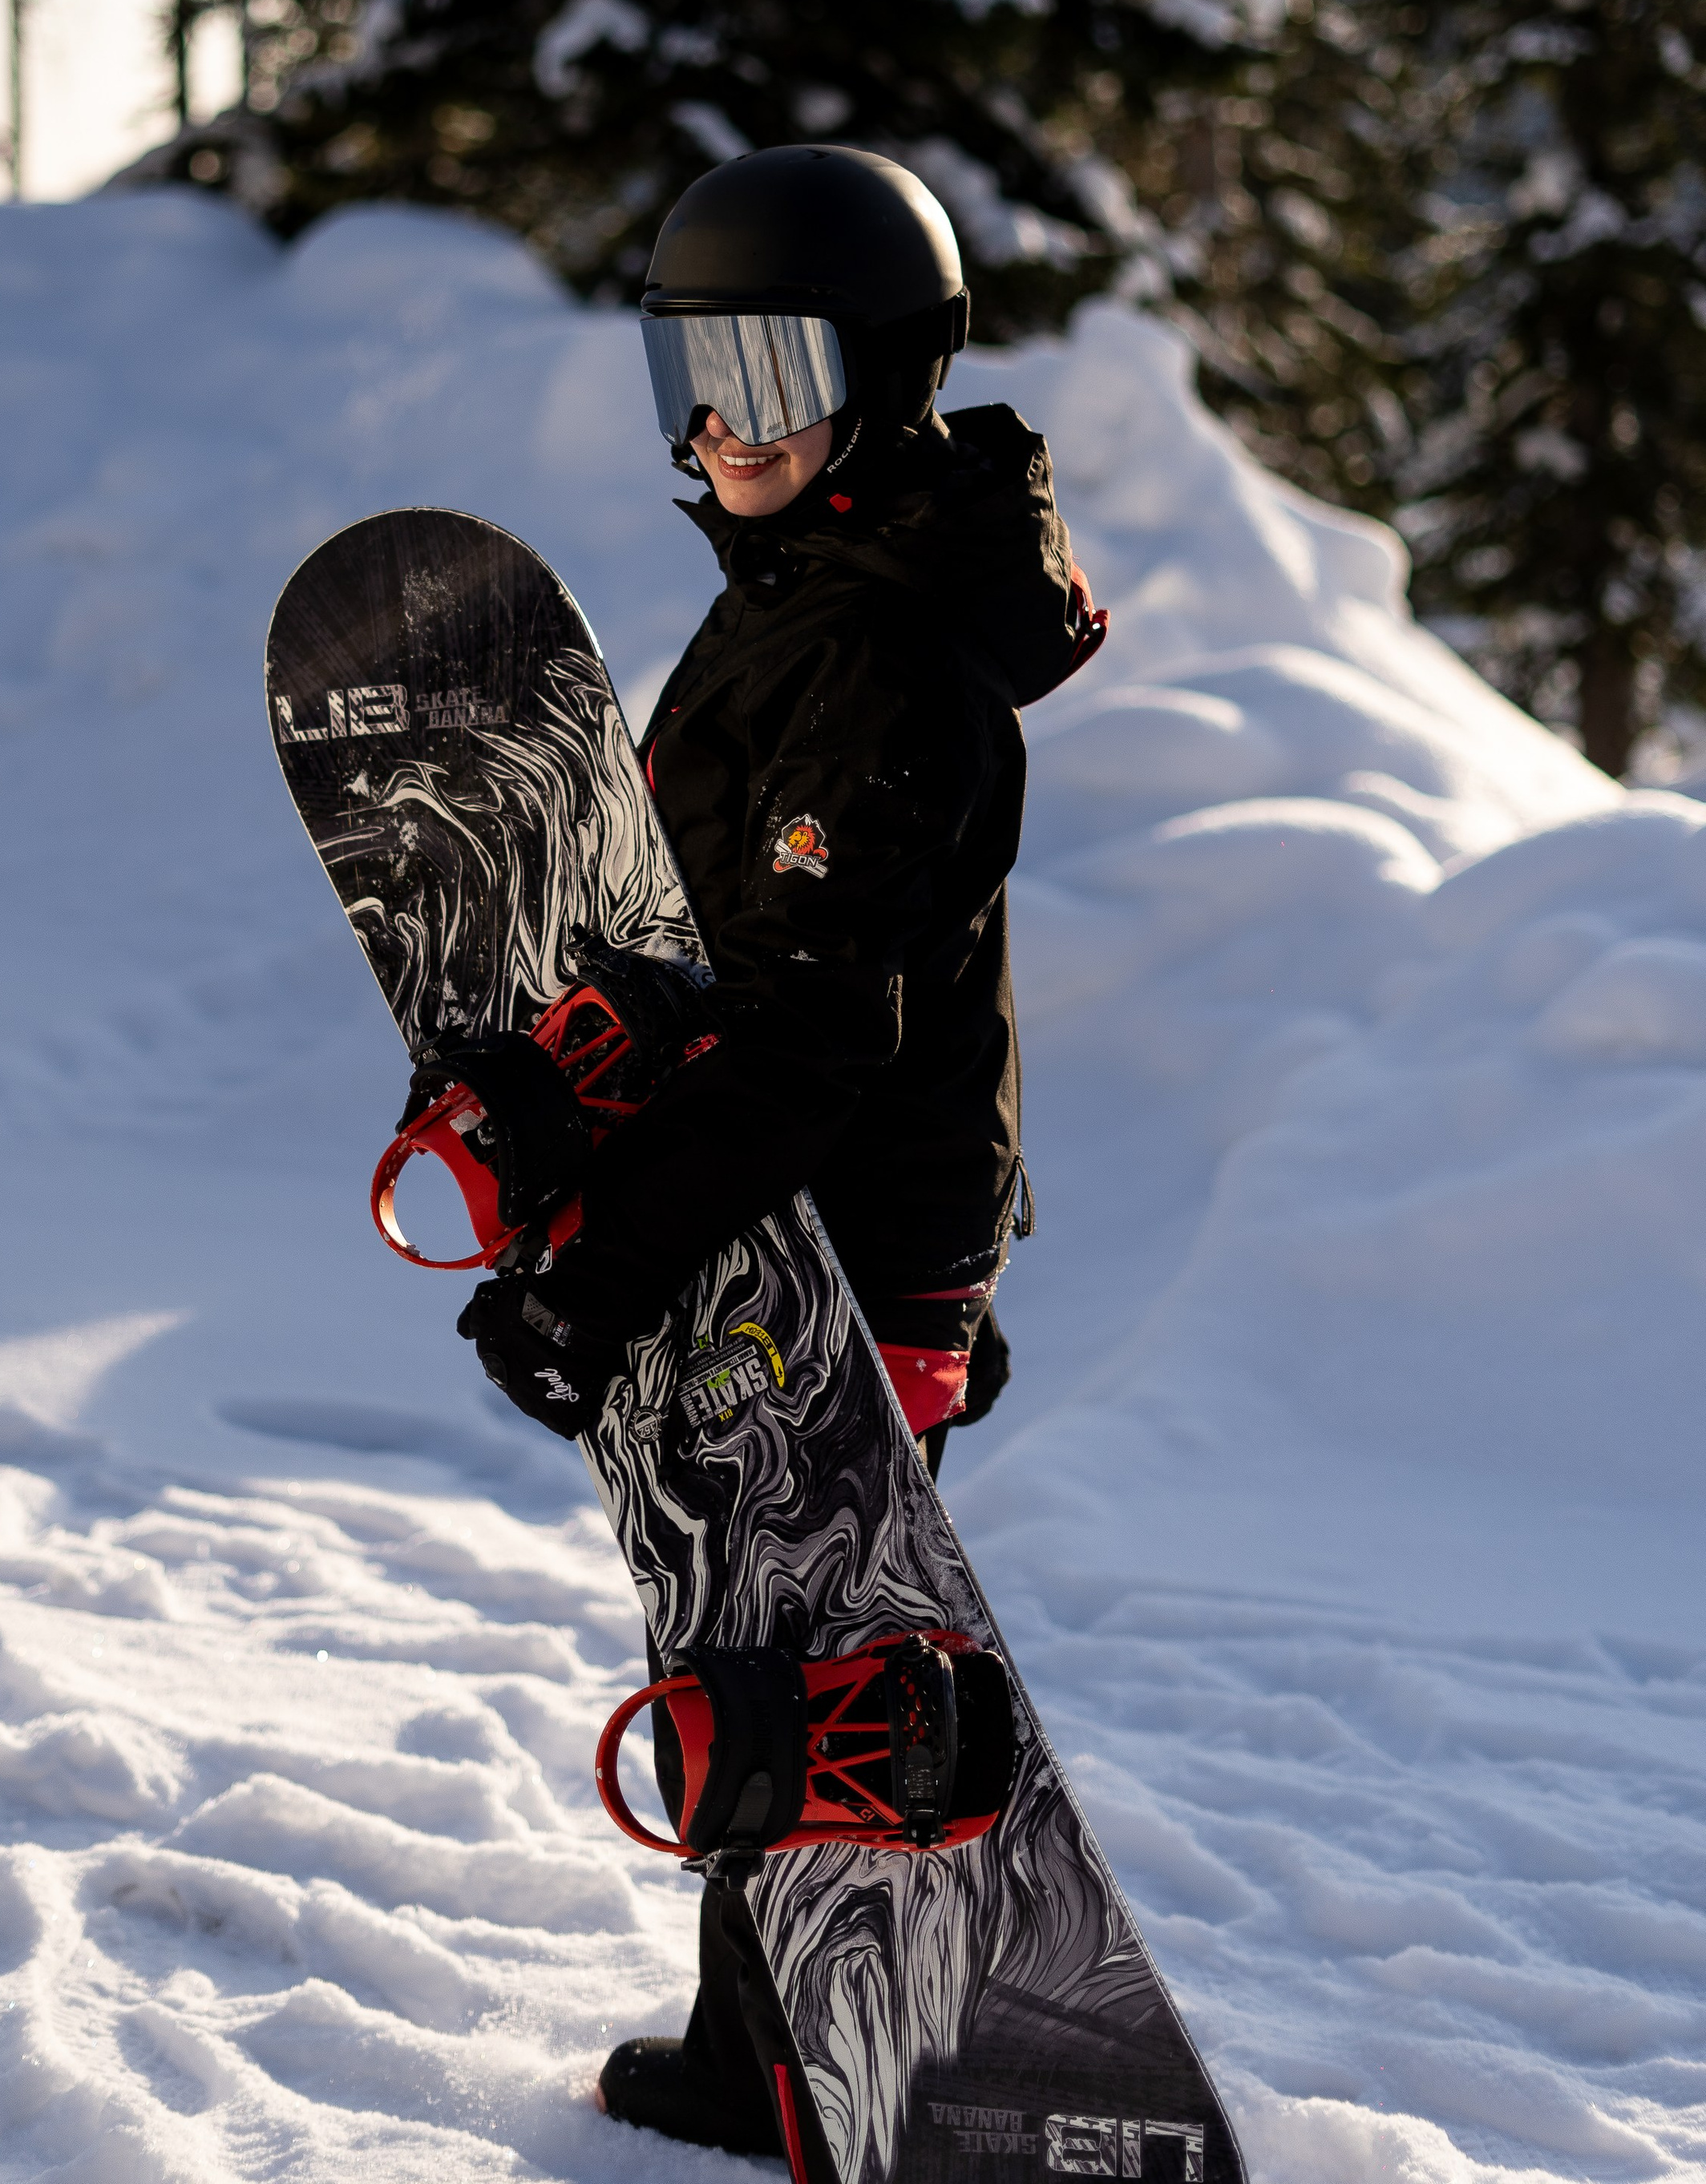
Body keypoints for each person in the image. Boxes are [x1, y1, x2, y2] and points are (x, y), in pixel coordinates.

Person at [451, 143, 1100, 2155]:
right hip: (798, 1223)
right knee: (736, 1627)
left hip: (817, 1228)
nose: (720, 424)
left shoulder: (876, 656)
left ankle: (849, 2062)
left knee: (798, 1668)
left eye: (770, 369)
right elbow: (725, 963)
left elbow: (818, 1032)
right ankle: (764, 2046)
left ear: (887, 381)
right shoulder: (815, 597)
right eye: (687, 374)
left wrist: (599, 1271)